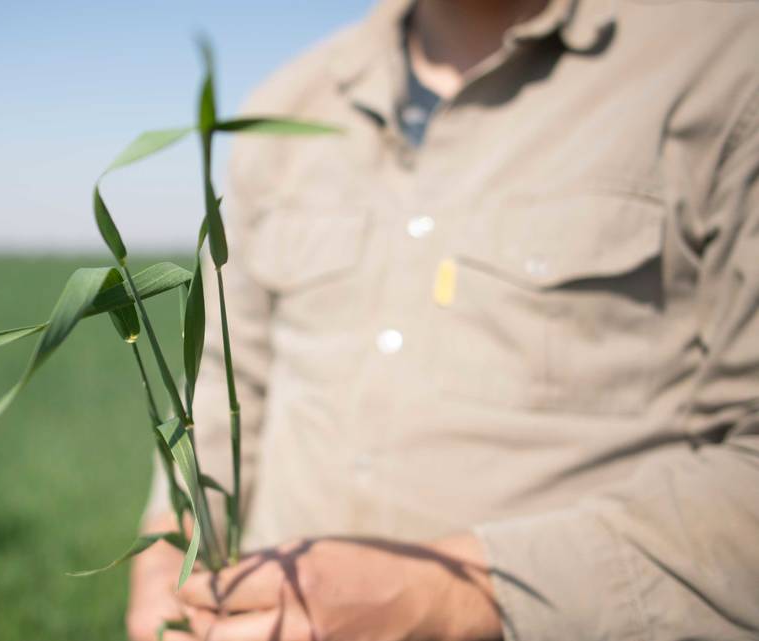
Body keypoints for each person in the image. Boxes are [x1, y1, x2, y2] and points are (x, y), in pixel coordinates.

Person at [128, 0, 759, 639]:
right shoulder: (292, 102)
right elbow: (223, 379)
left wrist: (448, 598)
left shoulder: (727, 62)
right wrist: (163, 564)